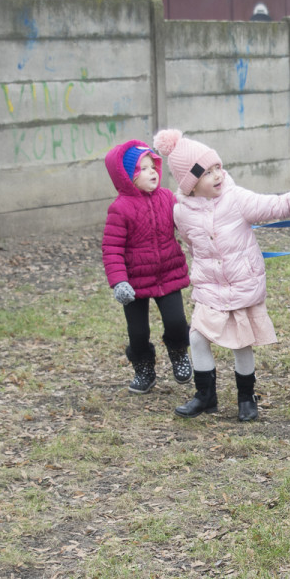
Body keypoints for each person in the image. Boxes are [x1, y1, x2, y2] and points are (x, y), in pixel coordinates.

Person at [153, 129, 290, 422]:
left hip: (242, 284)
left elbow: (274, 205)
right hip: (210, 286)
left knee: (241, 342)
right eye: (207, 173)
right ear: (191, 184)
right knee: (196, 337)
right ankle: (205, 395)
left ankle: (246, 397)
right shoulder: (181, 213)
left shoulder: (236, 198)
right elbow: (191, 243)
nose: (217, 175)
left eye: (217, 167)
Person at [102, 140, 192, 394]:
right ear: (126, 176)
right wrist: (119, 281)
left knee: (176, 322)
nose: (152, 172)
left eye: (153, 166)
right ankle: (143, 367)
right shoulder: (119, 209)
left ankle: (178, 352)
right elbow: (112, 249)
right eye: (143, 168)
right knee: (138, 333)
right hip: (134, 282)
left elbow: (186, 225)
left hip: (168, 274)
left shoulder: (167, 198)